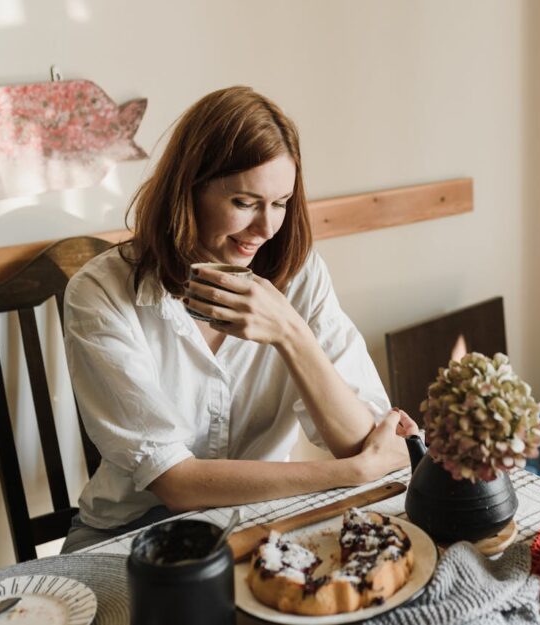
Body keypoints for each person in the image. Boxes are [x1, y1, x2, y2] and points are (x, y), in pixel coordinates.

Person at [60, 86, 418, 553]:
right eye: (245, 203)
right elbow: (176, 483)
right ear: (189, 190)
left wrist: (290, 334)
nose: (267, 229)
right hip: (130, 534)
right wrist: (348, 475)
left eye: (281, 202)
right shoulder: (99, 293)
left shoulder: (300, 272)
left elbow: (363, 442)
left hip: (262, 523)